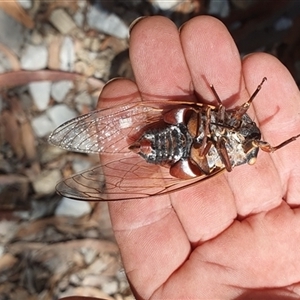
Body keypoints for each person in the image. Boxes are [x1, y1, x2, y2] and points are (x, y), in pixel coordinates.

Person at [62, 15, 300, 300]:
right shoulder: (232, 122)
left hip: (188, 153)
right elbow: (219, 113)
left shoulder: (228, 153)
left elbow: (220, 153)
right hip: (180, 126)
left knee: (191, 165)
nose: (250, 142)